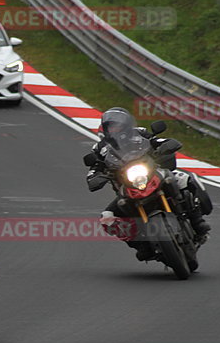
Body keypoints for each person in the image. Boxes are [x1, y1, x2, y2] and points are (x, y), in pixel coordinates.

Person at [86, 108, 211, 261]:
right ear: (105, 129)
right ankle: (140, 244)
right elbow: (94, 168)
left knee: (183, 178)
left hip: (151, 172)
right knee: (107, 217)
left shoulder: (139, 133)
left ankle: (197, 221)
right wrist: (95, 177)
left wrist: (166, 143)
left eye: (117, 125)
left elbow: (156, 140)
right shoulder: (100, 148)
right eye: (111, 126)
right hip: (126, 186)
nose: (114, 129)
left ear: (126, 125)